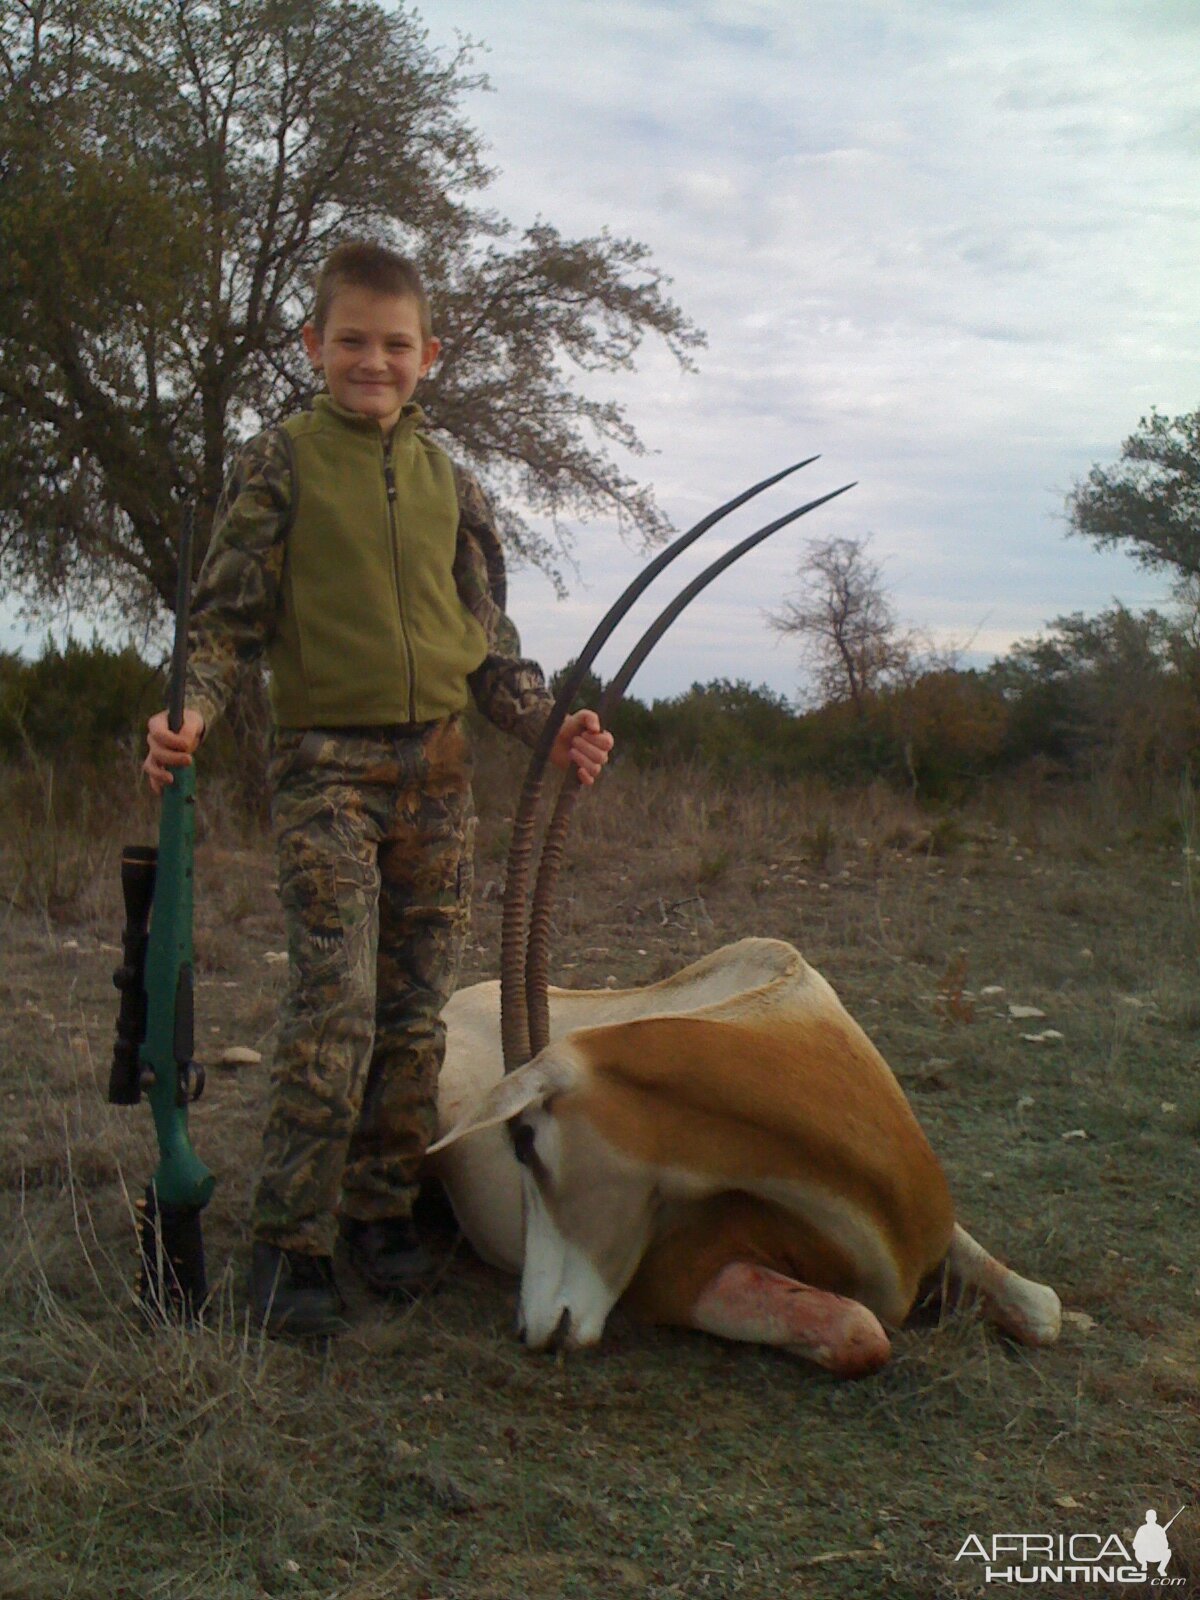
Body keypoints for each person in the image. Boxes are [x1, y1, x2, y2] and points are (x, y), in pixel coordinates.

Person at [144, 240, 613, 1335]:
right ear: (314, 346)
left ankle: (382, 1211)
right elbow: (221, 624)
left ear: (428, 355)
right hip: (325, 774)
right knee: (334, 1006)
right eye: (350, 339)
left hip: (439, 780)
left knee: (412, 1019)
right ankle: (288, 1240)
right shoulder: (280, 463)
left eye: (394, 344)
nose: (373, 360)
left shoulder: (459, 482)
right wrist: (191, 714)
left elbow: (489, 645)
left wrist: (549, 728)